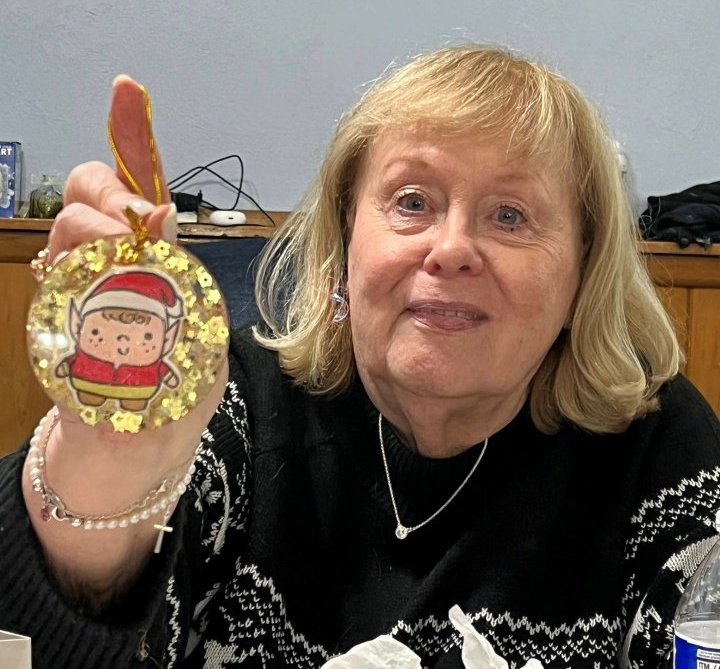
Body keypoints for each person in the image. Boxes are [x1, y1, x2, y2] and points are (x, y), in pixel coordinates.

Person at [1, 45, 719, 669]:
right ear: (345, 245)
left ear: (582, 273)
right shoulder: (233, 401)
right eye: (412, 201)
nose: (451, 249)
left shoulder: (657, 446)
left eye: (510, 215)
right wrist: (104, 474)